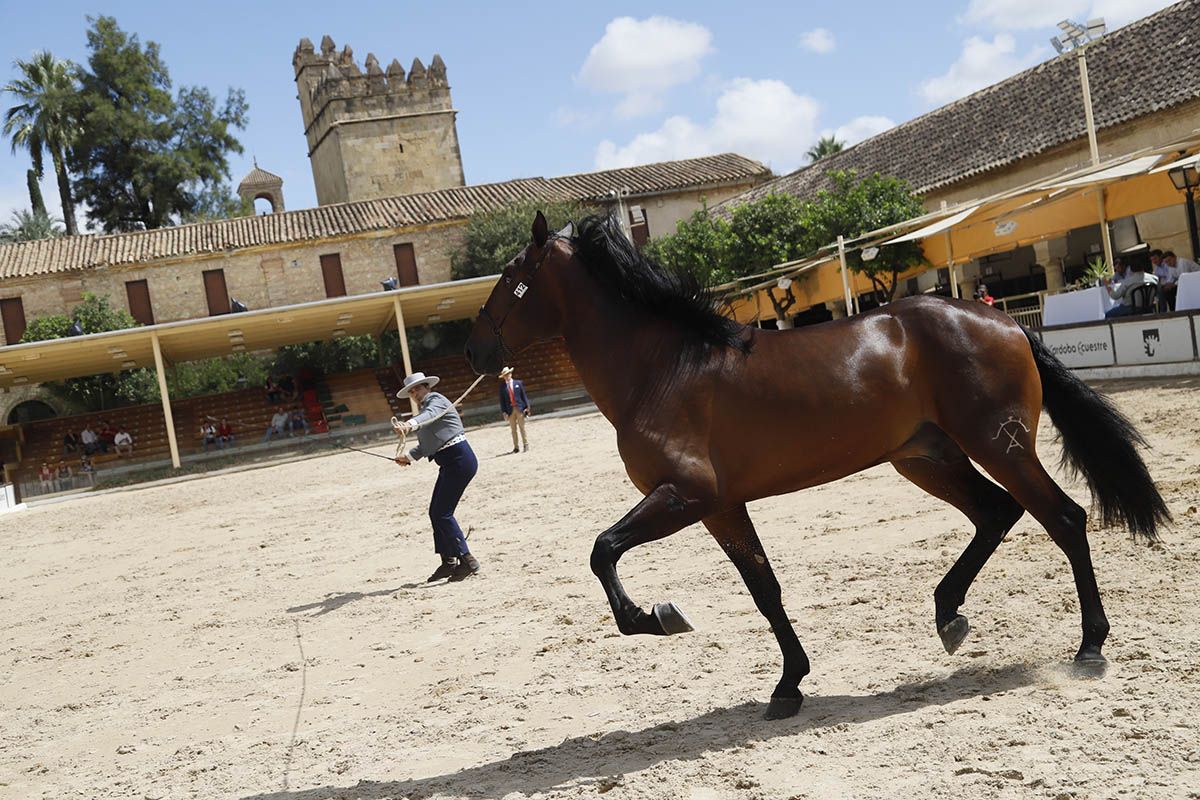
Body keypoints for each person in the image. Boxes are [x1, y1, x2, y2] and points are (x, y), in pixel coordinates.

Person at [393, 371, 481, 582]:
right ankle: (448, 562)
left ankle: (467, 560)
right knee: (436, 512)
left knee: (442, 513)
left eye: (418, 389)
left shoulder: (436, 401)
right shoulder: (426, 410)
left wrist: (410, 424)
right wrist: (409, 457)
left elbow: (427, 416)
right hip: (451, 463)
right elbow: (428, 445)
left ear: (427, 387)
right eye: (411, 391)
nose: (415, 393)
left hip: (459, 460)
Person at [497, 366, 532, 453]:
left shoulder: (518, 383)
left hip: (519, 408)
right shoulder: (502, 387)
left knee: (522, 427)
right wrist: (504, 412)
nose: (507, 376)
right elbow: (502, 400)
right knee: (513, 430)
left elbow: (523, 395)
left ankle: (526, 444)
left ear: (511, 374)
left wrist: (527, 407)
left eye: (508, 374)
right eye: (505, 375)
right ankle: (516, 447)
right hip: (510, 410)